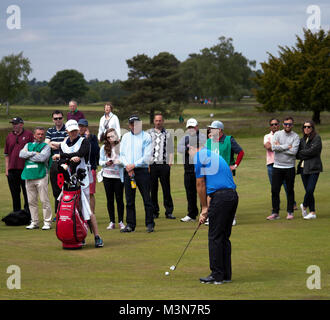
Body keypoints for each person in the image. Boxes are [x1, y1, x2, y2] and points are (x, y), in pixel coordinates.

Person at [189, 143, 238, 284]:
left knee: (215, 237)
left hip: (221, 197)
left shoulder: (199, 157)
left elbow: (200, 184)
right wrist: (206, 212)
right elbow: (212, 189)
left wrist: (204, 208)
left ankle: (217, 275)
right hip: (232, 196)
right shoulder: (213, 156)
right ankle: (226, 275)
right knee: (223, 236)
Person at [58, 119, 104, 247]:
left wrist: (65, 157)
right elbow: (63, 159)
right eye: (71, 131)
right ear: (67, 131)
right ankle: (78, 235)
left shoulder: (84, 141)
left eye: (75, 130)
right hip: (68, 181)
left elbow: (80, 153)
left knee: (87, 209)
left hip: (82, 180)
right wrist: (66, 159)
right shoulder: (63, 144)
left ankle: (97, 236)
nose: (73, 133)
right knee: (71, 209)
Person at [119, 115, 155, 233]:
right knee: (129, 200)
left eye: (136, 123)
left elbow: (147, 156)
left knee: (147, 198)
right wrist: (128, 167)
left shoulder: (146, 137)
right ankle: (130, 224)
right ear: (129, 125)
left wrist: (133, 165)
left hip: (142, 171)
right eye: (132, 124)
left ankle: (150, 223)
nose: (134, 126)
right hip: (129, 171)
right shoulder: (125, 137)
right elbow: (122, 154)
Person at [206, 120, 244, 226]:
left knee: (229, 194)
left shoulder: (229, 140)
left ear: (219, 130)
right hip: (212, 172)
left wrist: (235, 165)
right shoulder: (209, 141)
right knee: (211, 194)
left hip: (226, 172)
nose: (210, 130)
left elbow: (240, 152)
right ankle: (211, 216)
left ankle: (232, 217)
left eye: (212, 128)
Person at [267, 117, 300, 221]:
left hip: (289, 167)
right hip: (277, 166)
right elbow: (273, 147)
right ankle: (275, 212)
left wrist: (280, 147)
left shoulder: (295, 136)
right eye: (286, 124)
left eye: (289, 124)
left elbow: (293, 152)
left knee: (290, 190)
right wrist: (287, 146)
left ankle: (290, 212)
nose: (287, 126)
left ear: (292, 125)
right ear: (283, 125)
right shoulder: (277, 134)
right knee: (275, 190)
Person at [19, 127, 52, 230]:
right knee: (31, 201)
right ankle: (34, 222)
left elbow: (42, 158)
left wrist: (28, 155)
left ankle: (47, 222)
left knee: (44, 200)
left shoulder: (46, 146)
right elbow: (21, 154)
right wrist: (33, 153)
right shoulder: (28, 145)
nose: (40, 136)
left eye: (42, 134)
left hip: (42, 175)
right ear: (34, 135)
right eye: (38, 134)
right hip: (29, 175)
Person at [177, 118, 207, 222]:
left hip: (200, 169)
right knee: (190, 193)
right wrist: (188, 148)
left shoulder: (203, 137)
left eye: (193, 127)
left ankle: (204, 214)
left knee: (202, 192)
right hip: (188, 170)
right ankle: (191, 214)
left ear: (197, 127)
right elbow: (179, 149)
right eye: (189, 127)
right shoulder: (184, 138)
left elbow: (204, 148)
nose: (191, 129)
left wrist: (193, 148)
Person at [148, 114, 175, 220]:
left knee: (166, 189)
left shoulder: (167, 134)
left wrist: (170, 163)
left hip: (164, 164)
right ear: (154, 121)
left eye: (160, 120)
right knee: (153, 189)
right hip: (152, 165)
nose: (158, 122)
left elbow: (171, 149)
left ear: (163, 121)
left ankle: (169, 211)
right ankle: (154, 211)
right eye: (156, 120)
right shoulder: (148, 133)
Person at [4, 117, 34, 215]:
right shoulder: (9, 136)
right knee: (15, 193)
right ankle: (16, 213)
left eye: (16, 124)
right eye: (13, 124)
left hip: (25, 169)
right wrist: (7, 170)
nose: (14, 125)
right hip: (12, 169)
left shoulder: (29, 135)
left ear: (21, 124)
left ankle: (28, 213)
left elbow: (32, 152)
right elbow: (6, 155)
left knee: (27, 193)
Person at [99, 128, 125, 230]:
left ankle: (121, 221)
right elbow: (100, 161)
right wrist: (106, 163)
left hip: (118, 177)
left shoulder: (121, 147)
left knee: (119, 199)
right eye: (108, 137)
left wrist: (119, 162)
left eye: (112, 136)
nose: (110, 138)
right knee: (110, 200)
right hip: (107, 176)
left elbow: (125, 160)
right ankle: (112, 222)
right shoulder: (104, 148)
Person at [296, 121, 323, 220]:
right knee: (308, 191)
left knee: (310, 189)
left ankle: (304, 205)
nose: (306, 128)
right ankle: (312, 212)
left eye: (309, 127)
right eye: (305, 127)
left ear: (312, 128)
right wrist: (304, 153)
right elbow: (297, 154)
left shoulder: (317, 138)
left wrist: (302, 153)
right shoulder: (302, 140)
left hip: (314, 168)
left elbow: (314, 151)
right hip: (303, 168)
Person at [45, 110, 68, 214]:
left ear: (62, 118)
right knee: (56, 189)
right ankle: (58, 213)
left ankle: (67, 211)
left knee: (67, 187)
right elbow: (46, 144)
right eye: (55, 118)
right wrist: (59, 144)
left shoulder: (67, 130)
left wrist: (54, 143)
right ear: (53, 119)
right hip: (54, 162)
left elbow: (65, 144)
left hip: (65, 162)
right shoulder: (50, 131)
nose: (58, 120)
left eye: (59, 118)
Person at [78, 119, 100, 216]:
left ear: (87, 127)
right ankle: (80, 213)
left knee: (90, 193)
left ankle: (91, 214)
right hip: (78, 168)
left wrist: (88, 138)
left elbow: (95, 151)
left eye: (83, 126)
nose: (81, 128)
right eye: (80, 126)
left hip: (90, 168)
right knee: (78, 193)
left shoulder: (93, 137)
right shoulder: (75, 138)